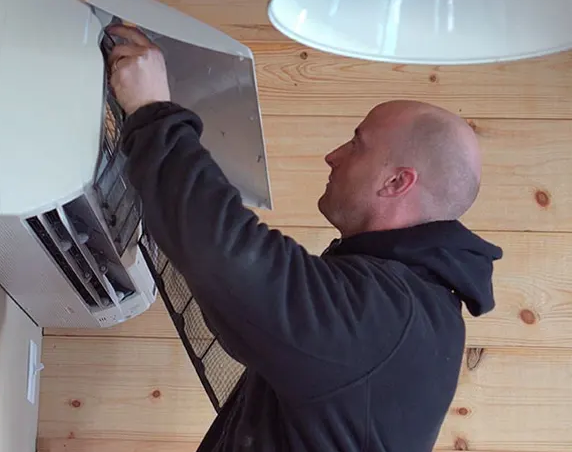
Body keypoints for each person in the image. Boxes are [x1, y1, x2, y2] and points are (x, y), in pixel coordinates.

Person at [107, 25, 503, 452]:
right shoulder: (406, 302)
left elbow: (233, 260)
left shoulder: (392, 314)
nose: (333, 156)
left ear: (395, 181)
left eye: (357, 143)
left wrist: (152, 111)